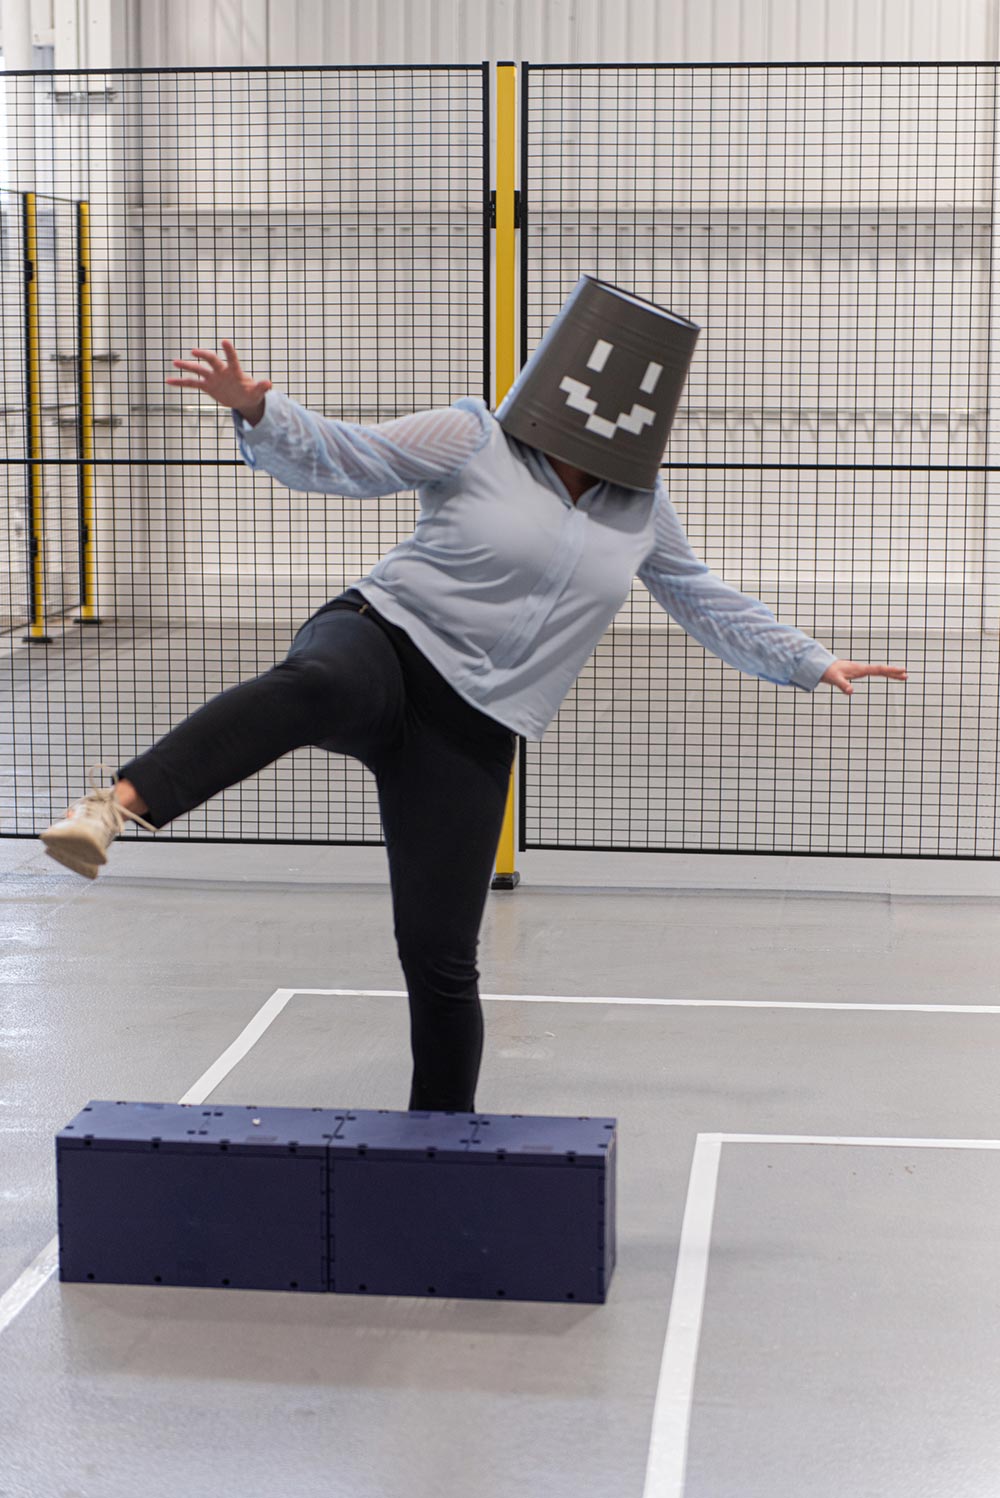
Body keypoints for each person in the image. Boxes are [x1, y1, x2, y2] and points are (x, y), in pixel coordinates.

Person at [40, 278, 906, 1113]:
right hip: (385, 640)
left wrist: (809, 659)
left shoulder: (640, 506)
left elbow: (700, 594)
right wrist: (261, 410)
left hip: (477, 726)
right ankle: (111, 808)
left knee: (442, 952)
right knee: (313, 686)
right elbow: (354, 455)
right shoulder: (472, 436)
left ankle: (441, 1143)